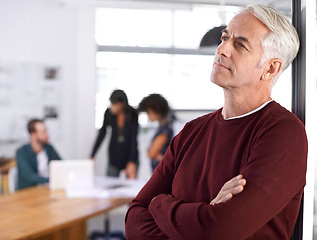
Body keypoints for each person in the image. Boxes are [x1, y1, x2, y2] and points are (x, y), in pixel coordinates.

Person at [125, 4, 307, 240]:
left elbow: (219, 230)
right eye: (224, 37)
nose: (222, 49)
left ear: (270, 69)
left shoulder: (283, 133)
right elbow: (133, 222)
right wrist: (204, 215)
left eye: (240, 44)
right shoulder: (192, 131)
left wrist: (160, 204)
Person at [90, 90, 138, 179]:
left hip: (129, 154)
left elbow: (133, 139)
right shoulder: (108, 113)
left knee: (131, 186)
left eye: (114, 104)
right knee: (110, 184)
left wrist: (131, 161)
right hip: (114, 155)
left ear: (121, 104)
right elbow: (102, 134)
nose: (112, 107)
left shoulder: (133, 113)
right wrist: (92, 155)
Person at [16, 119, 61, 190]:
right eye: (43, 132)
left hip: (49, 189)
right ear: (32, 134)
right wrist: (51, 180)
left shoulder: (49, 148)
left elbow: (60, 165)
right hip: (31, 192)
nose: (47, 135)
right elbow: (30, 177)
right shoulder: (22, 152)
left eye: (46, 131)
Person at [138, 94, 174, 172]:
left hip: (161, 173)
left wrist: (152, 151)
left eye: (148, 112)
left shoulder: (165, 130)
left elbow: (151, 153)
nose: (148, 115)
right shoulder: (163, 127)